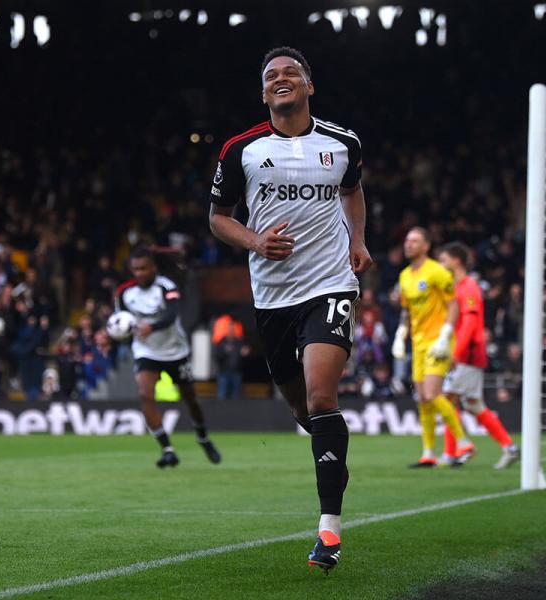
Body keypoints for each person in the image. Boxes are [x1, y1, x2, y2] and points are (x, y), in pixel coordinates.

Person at [208, 46, 372, 573]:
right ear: (263, 92)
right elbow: (218, 217)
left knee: (323, 397)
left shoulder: (343, 143)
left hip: (330, 284)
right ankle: (332, 456)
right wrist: (255, 242)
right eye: (272, 76)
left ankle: (329, 531)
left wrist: (358, 241)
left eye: (291, 73)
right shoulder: (241, 149)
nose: (282, 80)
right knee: (303, 411)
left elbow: (353, 191)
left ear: (309, 85)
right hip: (274, 296)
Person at [116, 246, 221, 468]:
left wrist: (151, 326)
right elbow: (121, 322)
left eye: (144, 268)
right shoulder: (125, 293)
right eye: (135, 269)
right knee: (145, 394)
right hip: (147, 351)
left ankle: (203, 437)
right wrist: (110, 336)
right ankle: (167, 449)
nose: (140, 273)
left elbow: (171, 315)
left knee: (190, 399)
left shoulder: (167, 286)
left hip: (176, 351)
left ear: (153, 268)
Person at [391, 227, 475, 468]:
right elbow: (407, 310)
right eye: (407, 240)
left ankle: (463, 441)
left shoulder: (437, 272)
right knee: (422, 399)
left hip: (438, 341)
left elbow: (453, 305)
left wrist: (446, 334)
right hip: (417, 343)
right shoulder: (405, 275)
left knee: (431, 393)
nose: (408, 244)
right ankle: (428, 452)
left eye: (414, 241)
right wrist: (400, 334)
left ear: (426, 246)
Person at [438, 242, 519, 469]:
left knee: (447, 399)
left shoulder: (469, 286)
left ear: (457, 260)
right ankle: (509, 447)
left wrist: (456, 352)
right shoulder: (455, 287)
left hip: (469, 354)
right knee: (473, 404)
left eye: (444, 260)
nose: (442, 265)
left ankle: (451, 453)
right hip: (463, 353)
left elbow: (471, 324)